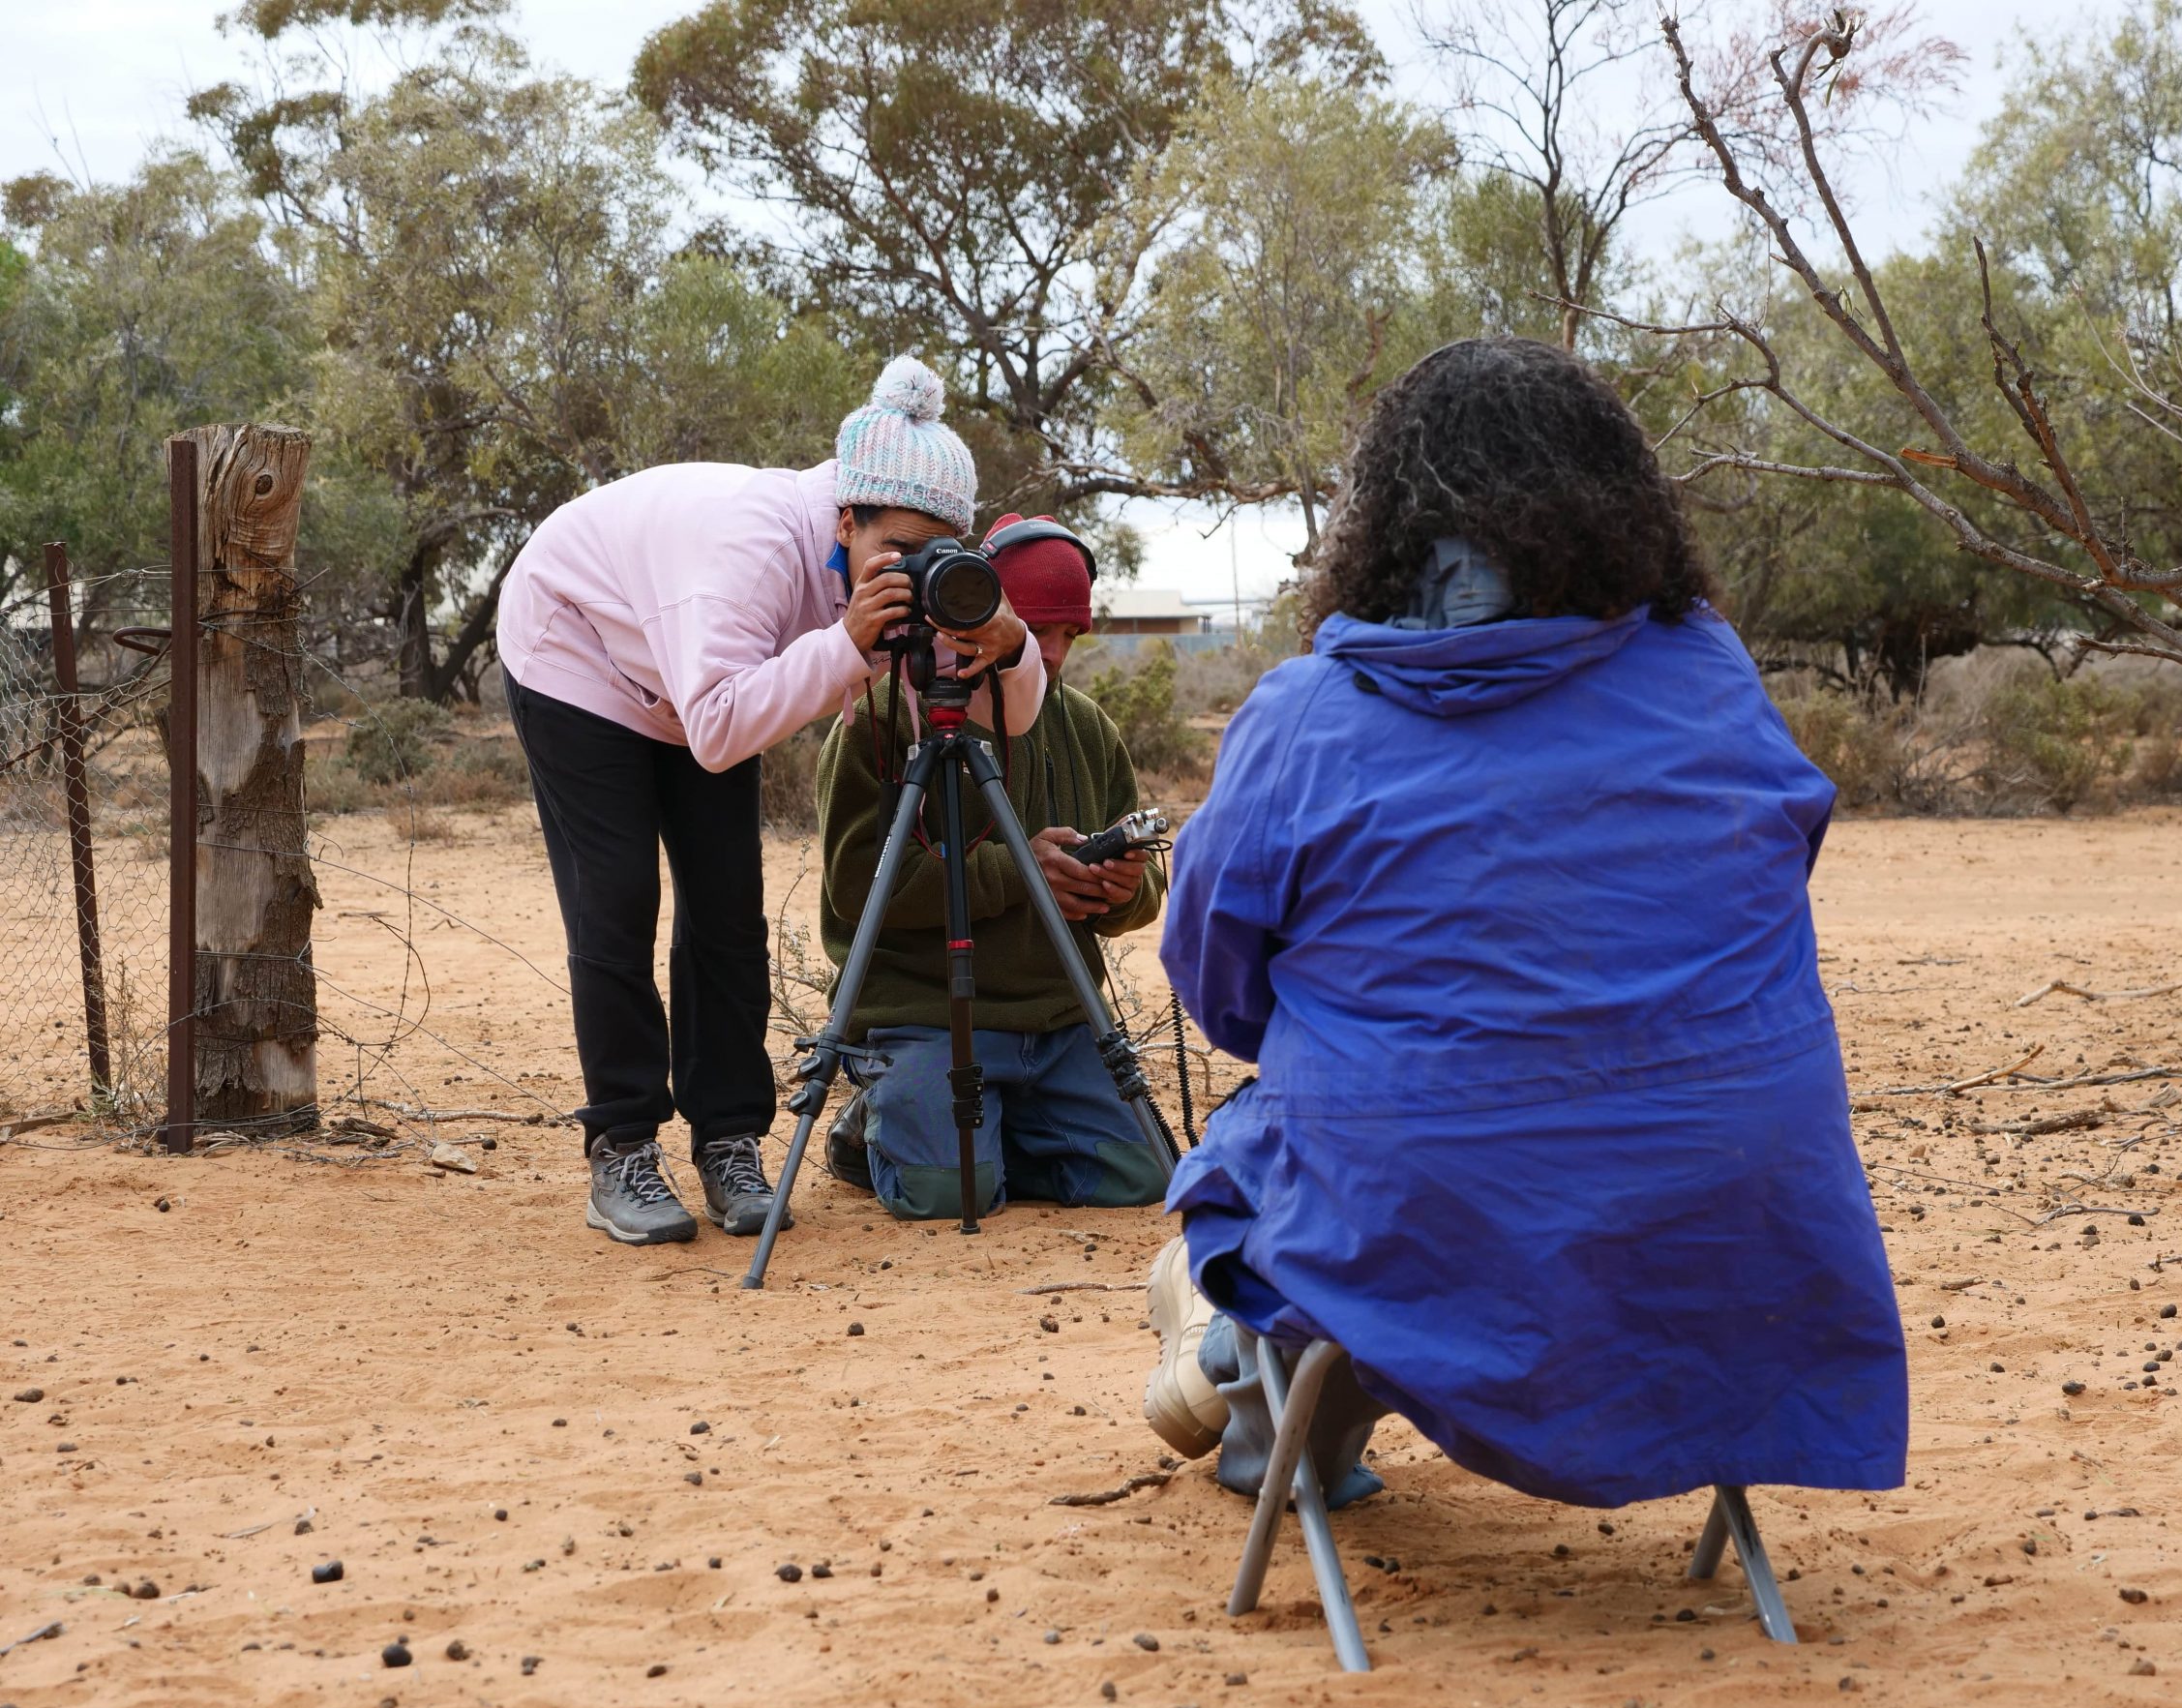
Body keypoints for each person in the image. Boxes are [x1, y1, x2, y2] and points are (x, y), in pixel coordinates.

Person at [1140, 336, 1908, 1514]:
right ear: (1616, 507)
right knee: (1436, 1153)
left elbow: (1218, 984)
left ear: (1385, 525)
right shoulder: (1708, 673)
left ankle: (1254, 1411)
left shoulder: (1308, 717)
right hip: (1733, 1220)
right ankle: (1251, 1388)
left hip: (1426, 1217)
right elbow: (1775, 869)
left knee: (1283, 1168)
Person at [498, 357, 1045, 1246]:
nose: (908, 572)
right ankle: (624, 1144)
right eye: (891, 552)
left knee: (726, 908)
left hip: (700, 683)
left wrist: (1007, 642)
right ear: (843, 522)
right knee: (617, 897)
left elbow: (1006, 715)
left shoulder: (908, 569)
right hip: (581, 648)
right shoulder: (748, 552)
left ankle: (728, 1141)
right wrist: (847, 642)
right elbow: (718, 730)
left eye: (933, 553)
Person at [814, 512, 1172, 1221]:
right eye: (1037, 629)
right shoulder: (886, 716)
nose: (1056, 653)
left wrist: (1124, 890)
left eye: (1070, 633)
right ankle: (870, 1130)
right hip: (926, 1016)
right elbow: (857, 887)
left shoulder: (1087, 728)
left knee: (1143, 1175)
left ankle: (984, 1135)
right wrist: (1021, 873)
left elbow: (1141, 897)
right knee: (948, 1196)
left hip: (1058, 1019)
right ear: (974, 605)